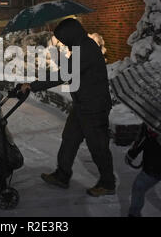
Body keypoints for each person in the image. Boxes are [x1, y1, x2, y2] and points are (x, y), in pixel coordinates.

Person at [20, 18, 115, 196]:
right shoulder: (80, 48)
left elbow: (64, 74)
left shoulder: (85, 49)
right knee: (70, 139)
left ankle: (108, 183)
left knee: (98, 147)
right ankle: (62, 175)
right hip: (82, 105)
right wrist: (60, 56)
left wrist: (32, 85)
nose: (62, 42)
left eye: (63, 39)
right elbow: (71, 70)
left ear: (70, 35)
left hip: (94, 107)